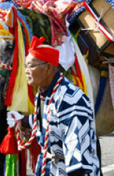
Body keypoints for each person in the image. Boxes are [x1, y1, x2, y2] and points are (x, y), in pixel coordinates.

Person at [15, 36, 100, 176]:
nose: (26, 70)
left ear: (48, 68)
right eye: (25, 65)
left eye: (31, 65)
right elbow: (48, 119)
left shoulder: (70, 99)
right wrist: (22, 121)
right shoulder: (43, 94)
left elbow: (77, 154)